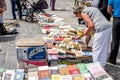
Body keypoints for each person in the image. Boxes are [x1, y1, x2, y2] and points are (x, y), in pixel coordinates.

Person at [107, 0, 120, 65]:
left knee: (115, 40)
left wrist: (113, 15)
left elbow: (108, 10)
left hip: (117, 19)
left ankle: (112, 59)